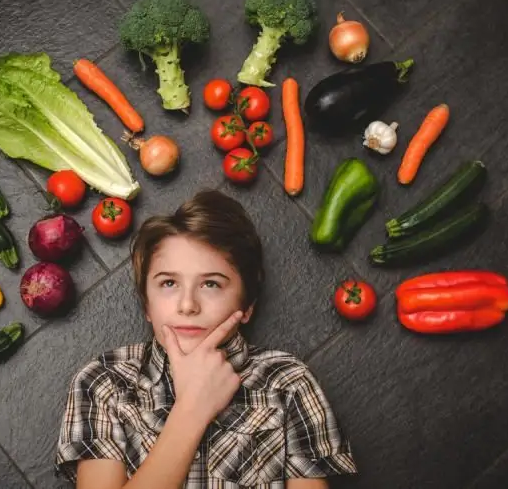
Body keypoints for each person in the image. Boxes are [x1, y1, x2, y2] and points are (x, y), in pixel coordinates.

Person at [55, 189, 357, 488]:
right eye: (169, 283)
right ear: (147, 305)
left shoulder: (286, 382)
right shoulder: (104, 382)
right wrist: (193, 408)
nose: (188, 305)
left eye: (211, 284)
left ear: (247, 305)